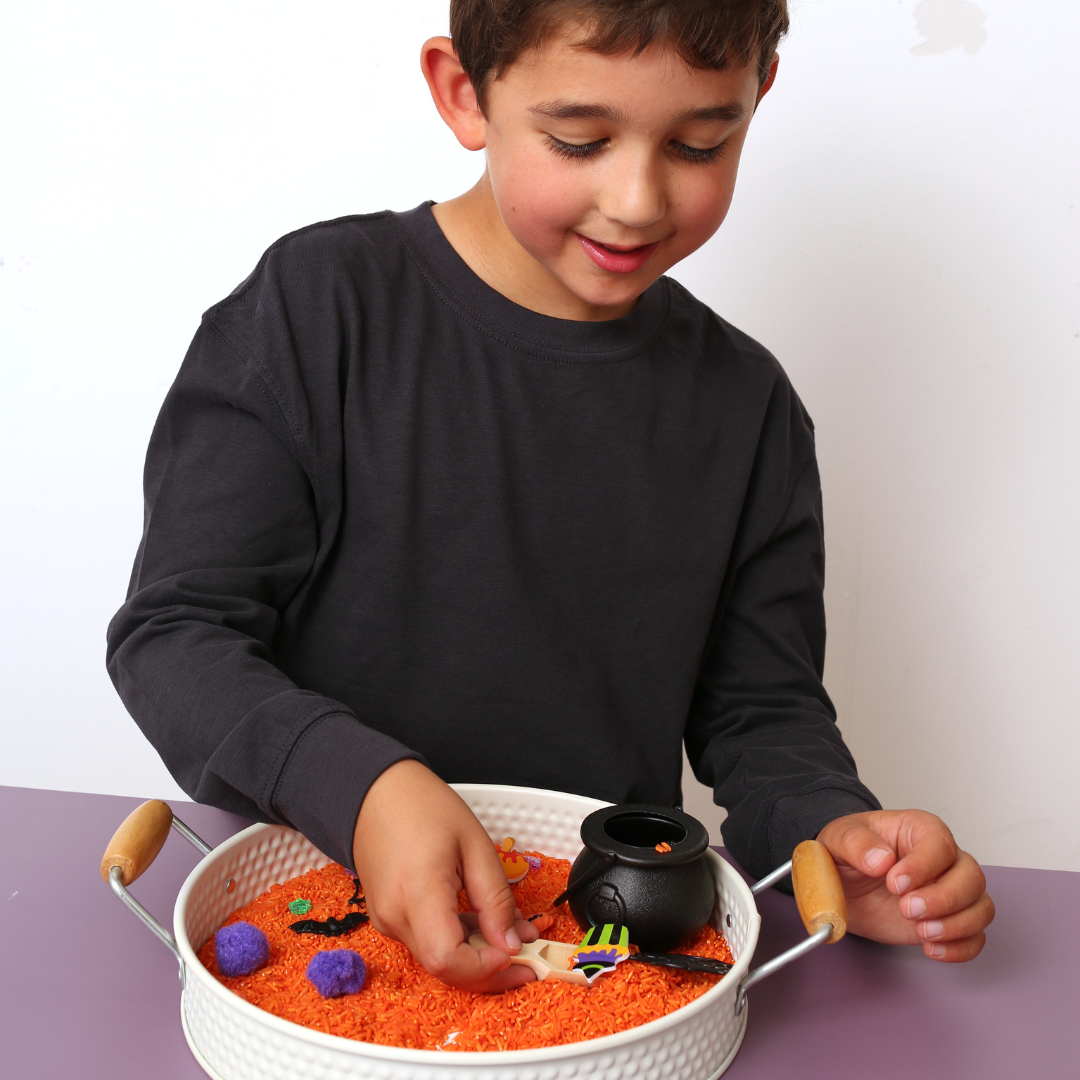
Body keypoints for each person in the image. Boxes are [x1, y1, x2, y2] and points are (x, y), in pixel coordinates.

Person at [106, 0, 994, 993]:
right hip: (313, 925)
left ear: (757, 101)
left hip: (597, 956)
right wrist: (362, 791)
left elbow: (762, 716)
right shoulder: (314, 312)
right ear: (462, 92)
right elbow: (176, 637)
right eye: (580, 139)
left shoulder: (748, 409)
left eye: (702, 142)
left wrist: (834, 835)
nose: (636, 197)